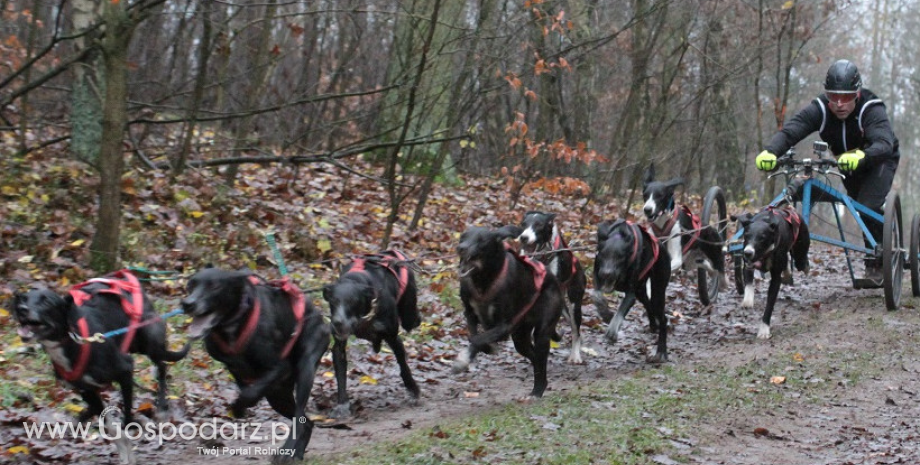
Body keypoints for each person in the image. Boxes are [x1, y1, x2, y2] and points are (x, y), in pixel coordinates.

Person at [754, 59, 900, 281]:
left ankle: (878, 257)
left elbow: (884, 143)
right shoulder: (820, 109)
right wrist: (771, 152)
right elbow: (792, 131)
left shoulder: (871, 108)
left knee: (867, 206)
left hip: (879, 161)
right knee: (855, 204)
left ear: (857, 94)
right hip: (846, 163)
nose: (839, 103)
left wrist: (863, 155)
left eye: (846, 97)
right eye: (833, 97)